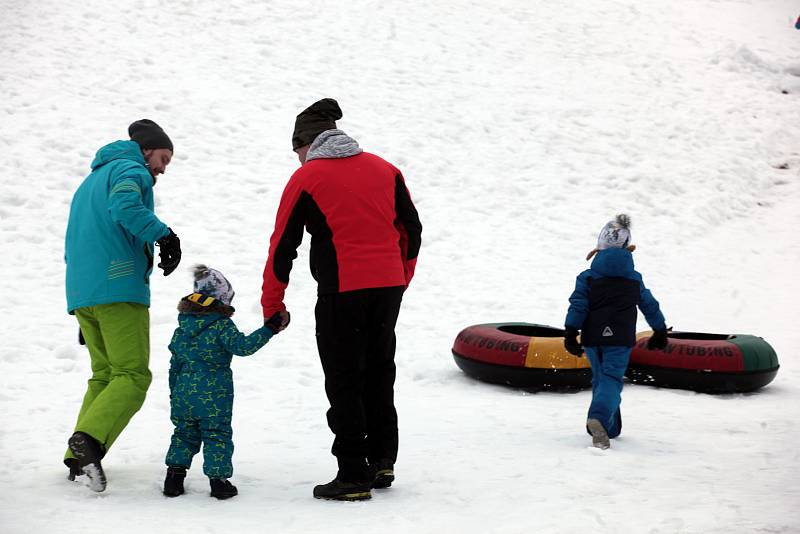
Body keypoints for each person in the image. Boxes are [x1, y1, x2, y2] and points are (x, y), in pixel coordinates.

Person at [261, 98, 422, 501]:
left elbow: (283, 246)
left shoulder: (307, 178)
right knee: (379, 370)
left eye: (295, 148)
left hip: (342, 291)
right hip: (386, 288)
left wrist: (272, 305)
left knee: (345, 377)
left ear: (307, 141)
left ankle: (352, 473)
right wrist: (400, 277)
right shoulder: (386, 169)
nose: (296, 157)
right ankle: (382, 459)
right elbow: (413, 229)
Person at [63, 119, 182, 492]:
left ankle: (75, 456)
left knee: (105, 374)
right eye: (163, 158)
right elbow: (126, 206)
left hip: (86, 292)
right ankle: (90, 441)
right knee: (132, 375)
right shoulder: (132, 169)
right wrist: (165, 236)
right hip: (119, 285)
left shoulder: (90, 182)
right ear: (147, 150)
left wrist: (87, 300)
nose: (163, 167)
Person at [163, 265, 285, 499]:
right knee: (216, 434)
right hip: (214, 396)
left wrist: (174, 394)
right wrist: (269, 329)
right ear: (221, 300)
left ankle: (174, 479)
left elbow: (174, 366)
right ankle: (219, 482)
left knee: (183, 433)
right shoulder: (221, 326)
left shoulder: (181, 329)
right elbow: (244, 347)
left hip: (183, 394)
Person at [563, 214, 668, 449]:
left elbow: (578, 304)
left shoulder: (587, 277)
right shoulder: (633, 279)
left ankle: (609, 428)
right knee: (611, 379)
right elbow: (649, 304)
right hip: (619, 340)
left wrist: (570, 332)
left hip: (592, 338)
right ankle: (599, 418)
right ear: (626, 247)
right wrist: (659, 330)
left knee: (601, 379)